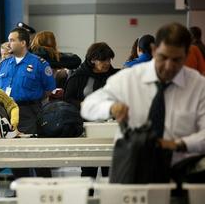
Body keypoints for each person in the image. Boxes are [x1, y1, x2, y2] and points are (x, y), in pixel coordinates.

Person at [81, 23, 205, 166]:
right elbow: (88, 106)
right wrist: (111, 108)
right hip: (133, 166)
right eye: (163, 57)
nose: (169, 66)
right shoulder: (130, 78)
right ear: (153, 50)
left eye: (176, 60)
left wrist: (179, 144)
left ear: (187, 55)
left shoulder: (199, 86)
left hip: (180, 167)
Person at [0, 27, 56, 134]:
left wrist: (31, 99)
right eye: (9, 40)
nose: (8, 44)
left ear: (23, 43)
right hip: (4, 114)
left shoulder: (39, 64)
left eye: (12, 40)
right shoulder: (3, 64)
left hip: (27, 113)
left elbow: (49, 90)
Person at [64, 42, 118, 109]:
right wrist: (81, 104)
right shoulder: (78, 76)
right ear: (92, 60)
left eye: (109, 60)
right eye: (103, 60)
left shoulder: (114, 76)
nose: (107, 63)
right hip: (84, 117)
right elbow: (67, 99)